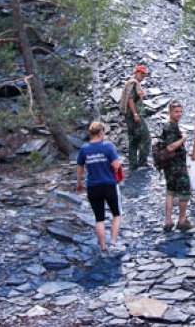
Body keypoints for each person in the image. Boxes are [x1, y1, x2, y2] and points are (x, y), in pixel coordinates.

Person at [76, 121, 124, 255]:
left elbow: (80, 167)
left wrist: (79, 183)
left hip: (93, 186)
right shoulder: (108, 146)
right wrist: (118, 165)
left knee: (99, 218)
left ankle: (103, 247)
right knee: (116, 214)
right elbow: (115, 165)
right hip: (109, 184)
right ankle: (113, 242)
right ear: (101, 132)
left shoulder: (84, 149)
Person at [160, 100, 193, 231]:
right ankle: (182, 220)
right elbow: (170, 147)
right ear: (170, 112)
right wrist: (183, 138)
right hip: (176, 166)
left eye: (180, 111)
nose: (179, 114)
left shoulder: (171, 126)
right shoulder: (171, 127)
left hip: (170, 166)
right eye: (176, 112)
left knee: (171, 191)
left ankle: (168, 222)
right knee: (184, 191)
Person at [120, 65, 151, 170]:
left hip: (129, 116)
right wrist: (135, 114)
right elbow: (131, 100)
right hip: (135, 116)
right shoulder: (134, 84)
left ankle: (133, 164)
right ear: (136, 72)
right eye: (141, 73)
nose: (143, 76)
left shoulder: (130, 83)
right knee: (146, 138)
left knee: (133, 139)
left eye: (144, 74)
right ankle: (142, 162)